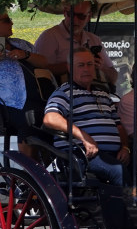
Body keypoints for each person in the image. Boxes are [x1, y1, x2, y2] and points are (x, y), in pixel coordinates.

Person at [42, 47, 130, 186]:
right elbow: (50, 118)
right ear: (70, 68)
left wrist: (125, 147)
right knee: (118, 170)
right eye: (81, 65)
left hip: (113, 154)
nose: (86, 69)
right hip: (82, 155)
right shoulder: (64, 92)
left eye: (90, 64)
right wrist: (84, 137)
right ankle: (128, 206)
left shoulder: (103, 95)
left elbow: (118, 125)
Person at [34, 1, 118, 86]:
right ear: (64, 12)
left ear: (88, 16)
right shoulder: (49, 37)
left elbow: (114, 77)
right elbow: (39, 71)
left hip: (96, 94)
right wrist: (73, 65)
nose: (74, 20)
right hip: (64, 95)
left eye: (81, 16)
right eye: (71, 14)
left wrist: (102, 67)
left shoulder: (94, 39)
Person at [0, 10, 48, 136]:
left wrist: (26, 55)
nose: (12, 22)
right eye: (6, 20)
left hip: (37, 98)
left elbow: (44, 63)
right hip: (8, 104)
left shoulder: (20, 43)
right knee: (27, 127)